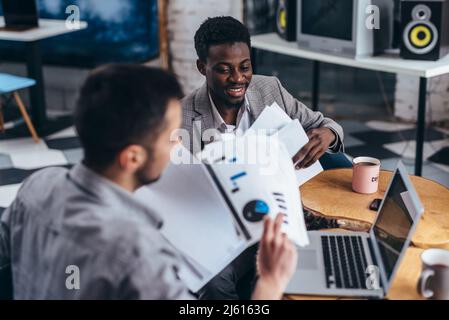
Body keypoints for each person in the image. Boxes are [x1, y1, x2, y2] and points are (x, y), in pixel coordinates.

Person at [0, 64, 297, 300]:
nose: (177, 146)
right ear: (132, 158)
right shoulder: (138, 254)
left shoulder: (37, 186)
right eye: (171, 137)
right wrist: (270, 283)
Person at [181, 16, 347, 300]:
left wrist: (327, 135)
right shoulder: (182, 119)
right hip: (228, 229)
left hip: (286, 213)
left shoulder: (269, 89)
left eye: (245, 67)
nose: (238, 78)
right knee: (214, 281)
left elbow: (328, 124)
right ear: (202, 67)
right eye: (223, 70)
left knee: (337, 252)